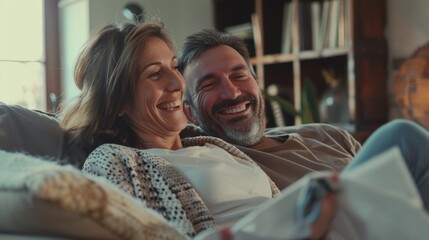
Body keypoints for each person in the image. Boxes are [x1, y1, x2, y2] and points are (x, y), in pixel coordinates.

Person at [59, 20, 429, 239]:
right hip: (304, 231)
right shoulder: (117, 162)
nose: (176, 82)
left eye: (174, 67)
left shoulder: (212, 147)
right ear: (117, 99)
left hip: (330, 223)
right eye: (155, 74)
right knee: (402, 138)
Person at [178, 29, 361, 189]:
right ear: (190, 113)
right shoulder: (211, 169)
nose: (232, 93)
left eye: (240, 75)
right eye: (209, 84)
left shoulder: (329, 135)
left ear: (257, 84)